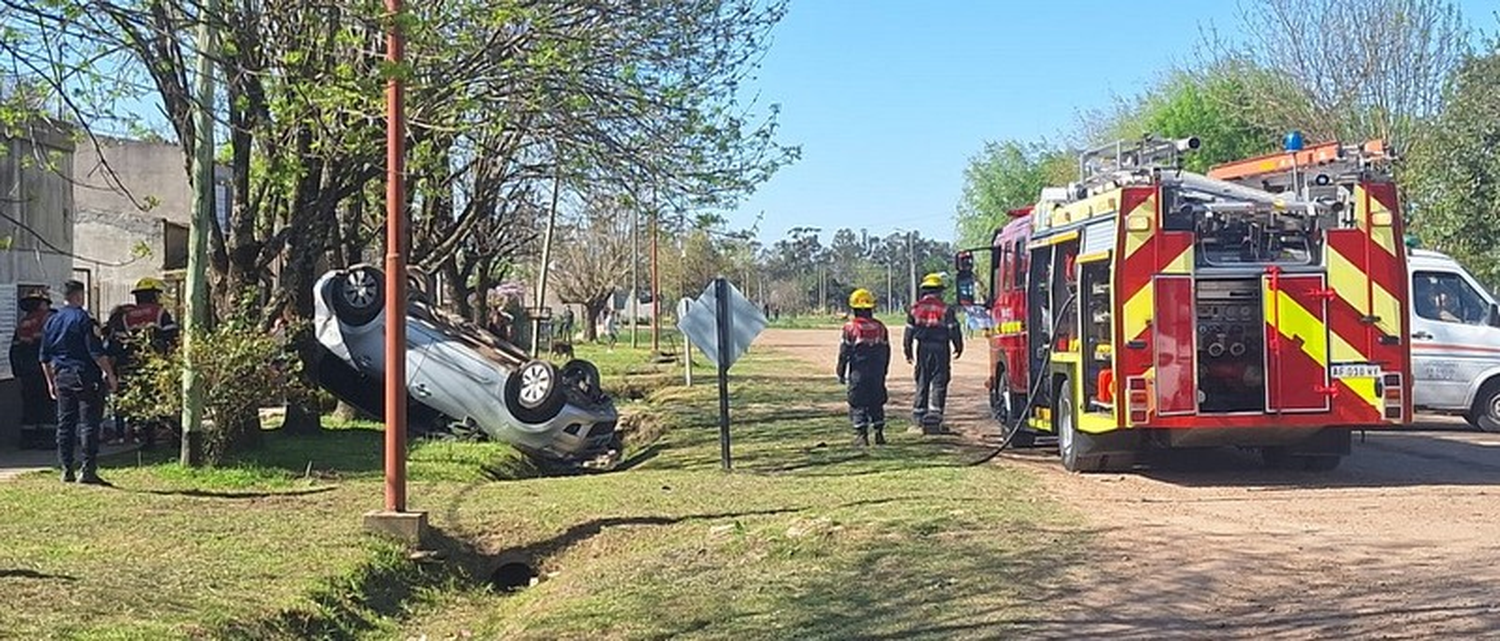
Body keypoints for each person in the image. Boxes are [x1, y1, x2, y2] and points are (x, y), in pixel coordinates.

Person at [41, 280, 117, 485]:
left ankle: (66, 469)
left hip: (62, 377)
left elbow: (45, 357)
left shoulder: (52, 321)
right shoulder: (84, 319)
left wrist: (51, 382)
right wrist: (109, 374)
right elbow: (96, 352)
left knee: (65, 424)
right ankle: (88, 470)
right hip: (85, 376)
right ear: (79, 296)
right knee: (89, 424)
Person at [103, 277, 180, 448]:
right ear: (154, 295)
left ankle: (147, 439)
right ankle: (174, 437)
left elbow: (117, 343)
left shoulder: (126, 316)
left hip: (131, 366)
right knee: (163, 400)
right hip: (156, 364)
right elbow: (173, 336)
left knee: (140, 402)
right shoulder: (159, 312)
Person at [904, 272, 963, 433]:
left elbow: (908, 333)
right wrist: (959, 346)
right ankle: (935, 420)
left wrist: (907, 351)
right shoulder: (945, 309)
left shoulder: (914, 309)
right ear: (939, 291)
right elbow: (954, 330)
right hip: (941, 348)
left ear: (924, 290)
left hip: (922, 348)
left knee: (922, 382)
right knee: (939, 382)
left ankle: (918, 421)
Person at [837, 288, 891, 447]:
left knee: (858, 402)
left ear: (854, 309)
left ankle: (861, 436)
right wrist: (884, 370)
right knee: (877, 401)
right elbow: (887, 350)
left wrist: (840, 371)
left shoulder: (850, 327)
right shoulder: (880, 327)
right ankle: (879, 433)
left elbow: (844, 352)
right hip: (877, 371)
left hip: (858, 371)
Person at [11, 289, 55, 449]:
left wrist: (18, 372)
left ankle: (28, 439)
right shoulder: (49, 319)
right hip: (46, 369)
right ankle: (48, 439)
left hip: (27, 373)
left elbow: (14, 351)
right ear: (42, 304)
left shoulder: (23, 323)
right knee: (48, 405)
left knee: (30, 406)